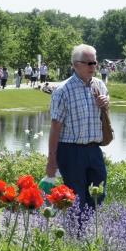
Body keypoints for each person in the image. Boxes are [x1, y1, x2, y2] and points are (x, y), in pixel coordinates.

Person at [43, 44, 110, 211]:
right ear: (75, 64)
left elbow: (105, 114)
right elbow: (55, 126)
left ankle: (87, 230)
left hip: (94, 149)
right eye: (89, 63)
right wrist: (52, 159)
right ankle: (75, 233)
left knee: (98, 193)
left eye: (95, 63)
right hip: (71, 151)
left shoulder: (99, 85)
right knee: (75, 198)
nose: (93, 67)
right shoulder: (63, 90)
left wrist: (105, 104)